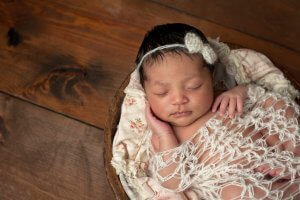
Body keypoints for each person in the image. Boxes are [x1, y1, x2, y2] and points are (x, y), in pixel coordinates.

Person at [112, 23, 300, 199]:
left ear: (211, 79)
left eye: (193, 86)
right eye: (162, 92)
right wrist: (164, 133)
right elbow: (173, 181)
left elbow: (261, 106)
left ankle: (294, 165)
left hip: (271, 151)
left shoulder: (222, 96)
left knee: (276, 104)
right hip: (235, 180)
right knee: (235, 193)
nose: (179, 100)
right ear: (146, 94)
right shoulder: (162, 136)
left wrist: (242, 91)